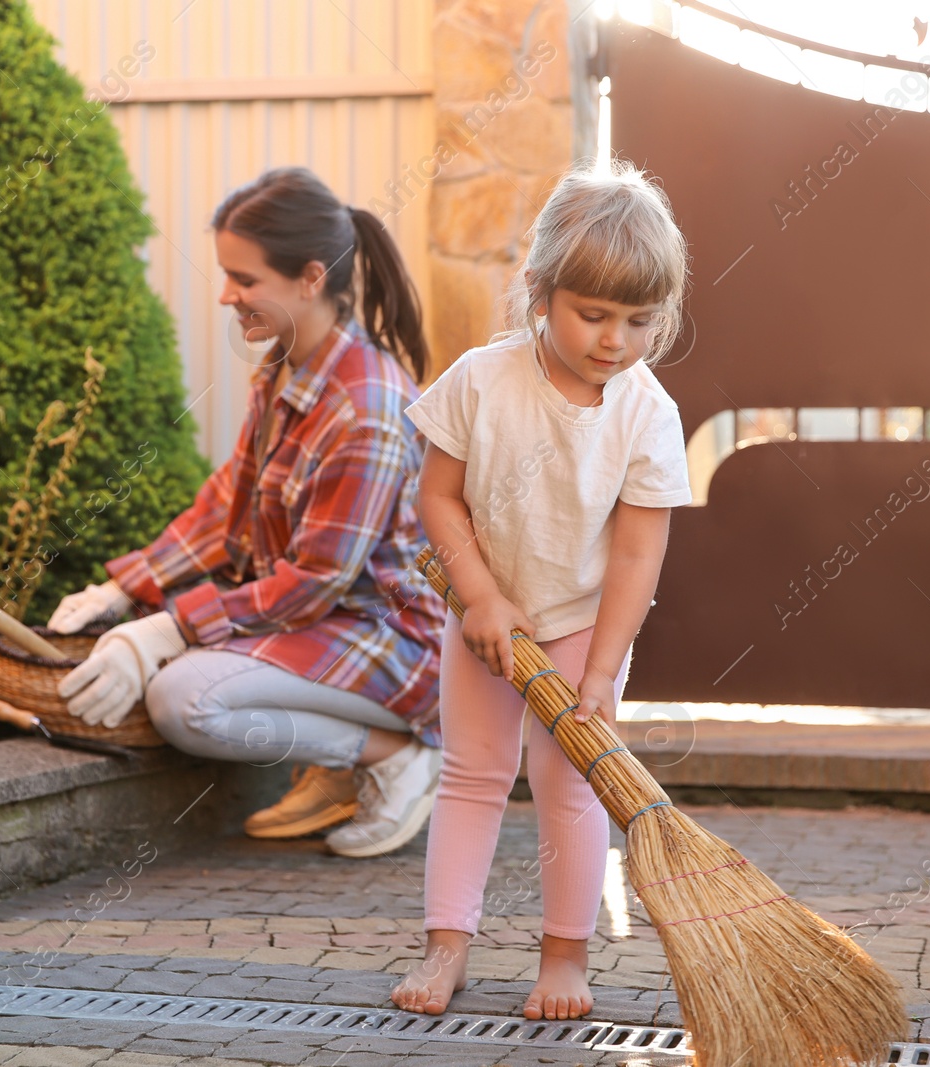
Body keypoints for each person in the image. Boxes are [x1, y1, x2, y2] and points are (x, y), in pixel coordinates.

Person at [47, 166, 447, 860]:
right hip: (321, 622)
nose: (228, 294)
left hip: (390, 641)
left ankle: (392, 756)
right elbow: (225, 505)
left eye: (245, 278)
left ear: (311, 277)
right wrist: (123, 588)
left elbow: (314, 582)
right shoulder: (288, 368)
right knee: (179, 665)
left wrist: (171, 627)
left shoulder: (366, 410)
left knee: (184, 699)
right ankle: (340, 766)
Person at [390, 159, 694, 1020]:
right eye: (592, 313)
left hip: (581, 627)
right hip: (486, 614)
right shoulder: (481, 381)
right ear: (540, 290)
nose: (614, 339)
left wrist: (601, 670)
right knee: (474, 773)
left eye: (639, 320)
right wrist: (480, 597)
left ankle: (565, 957)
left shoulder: (648, 412)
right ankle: (446, 944)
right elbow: (436, 496)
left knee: (569, 784)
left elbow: (638, 553)